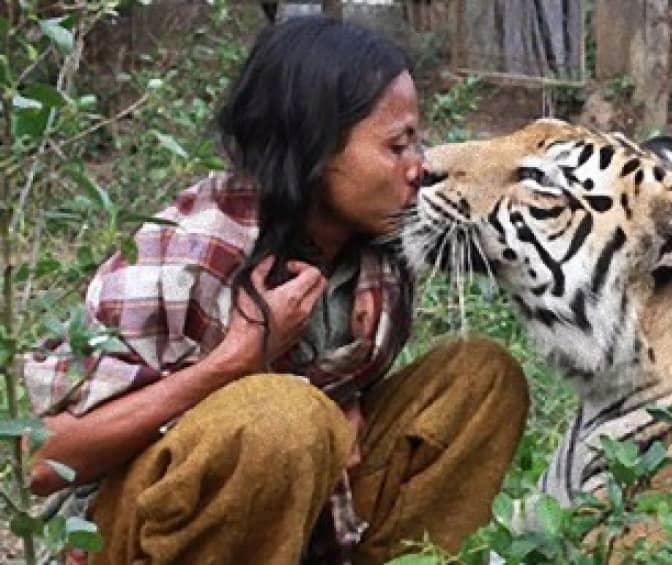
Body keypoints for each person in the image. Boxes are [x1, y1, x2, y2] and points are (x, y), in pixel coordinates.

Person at [20, 16, 529, 565]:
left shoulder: (372, 256)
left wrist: (342, 405)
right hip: (135, 533)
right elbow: (43, 460)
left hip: (297, 501)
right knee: (282, 418)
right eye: (396, 146)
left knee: (480, 380)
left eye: (417, 141)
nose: (419, 168)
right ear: (316, 149)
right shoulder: (187, 252)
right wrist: (231, 363)